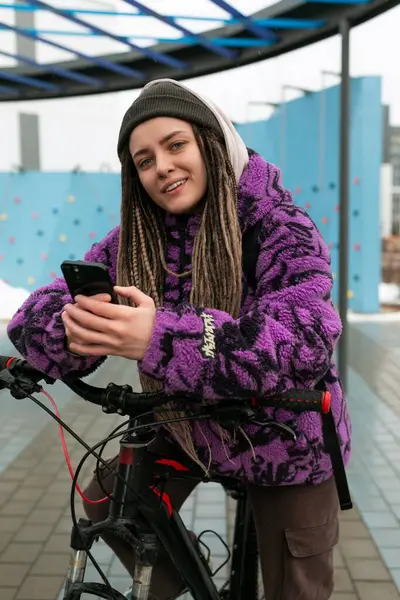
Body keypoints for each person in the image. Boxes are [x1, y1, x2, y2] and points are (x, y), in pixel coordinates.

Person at [8, 78, 351, 600]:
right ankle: (189, 575)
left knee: (296, 586)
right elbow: (36, 315)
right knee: (109, 501)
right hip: (192, 422)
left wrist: (161, 337)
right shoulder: (138, 235)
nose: (161, 166)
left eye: (175, 145)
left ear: (211, 143)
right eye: (144, 160)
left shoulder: (280, 225)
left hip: (284, 434)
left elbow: (302, 339)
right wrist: (72, 328)